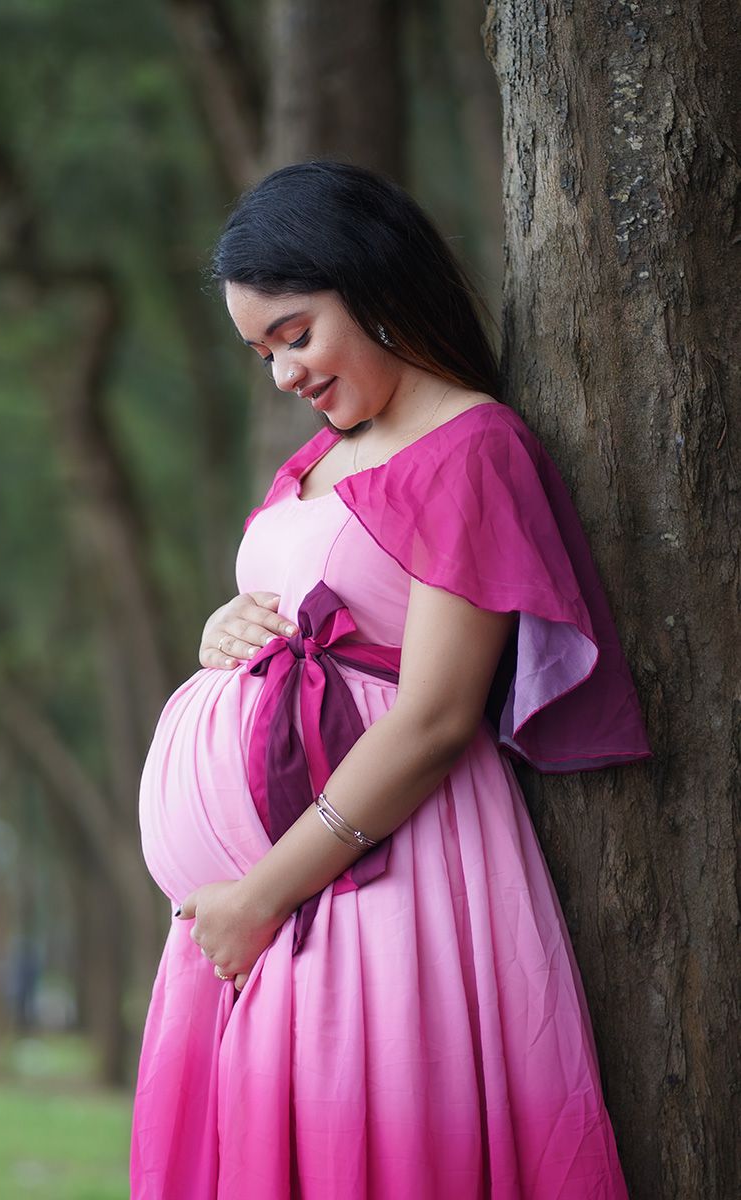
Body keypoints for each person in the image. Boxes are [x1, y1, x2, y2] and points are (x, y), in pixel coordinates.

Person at [129, 160, 650, 1200]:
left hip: (373, 877)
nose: (283, 374)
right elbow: (309, 611)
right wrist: (222, 631)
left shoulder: (473, 448)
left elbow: (434, 717)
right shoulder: (320, 458)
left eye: (295, 333)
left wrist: (264, 897)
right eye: (260, 352)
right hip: (255, 906)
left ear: (372, 283)